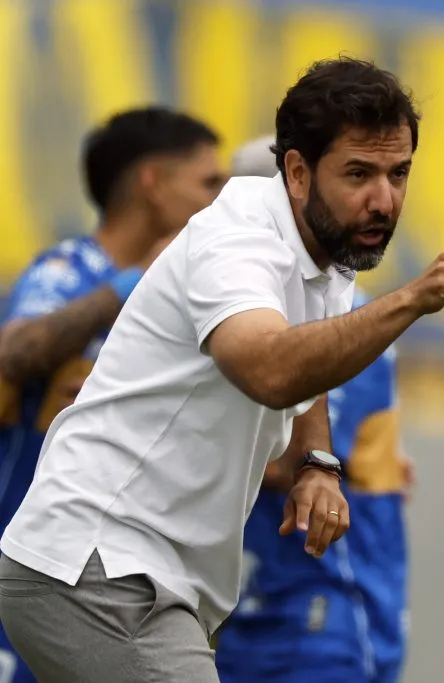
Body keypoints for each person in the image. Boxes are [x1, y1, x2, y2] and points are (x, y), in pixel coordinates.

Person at [0, 56, 444, 683]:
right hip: (98, 569)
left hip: (145, 578)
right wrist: (410, 298)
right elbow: (268, 368)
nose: (384, 199)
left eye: (398, 172)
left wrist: (317, 462)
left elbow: (307, 356)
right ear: (296, 172)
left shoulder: (330, 249)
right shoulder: (236, 243)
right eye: (359, 174)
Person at [0, 106, 224, 683]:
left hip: (113, 580)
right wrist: (132, 283)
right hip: (37, 564)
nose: (219, 200)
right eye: (208, 182)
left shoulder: (191, 302)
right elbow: (14, 351)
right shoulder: (68, 271)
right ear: (153, 182)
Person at [215, 138, 415, 683]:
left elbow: (292, 462)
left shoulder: (339, 323)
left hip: (321, 603)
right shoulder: (264, 302)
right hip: (265, 603)